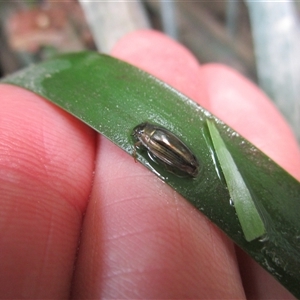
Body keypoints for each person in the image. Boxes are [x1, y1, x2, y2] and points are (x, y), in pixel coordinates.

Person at [0, 30, 299, 299]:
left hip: (178, 155)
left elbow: (163, 151)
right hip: (176, 155)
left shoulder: (146, 139)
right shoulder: (147, 138)